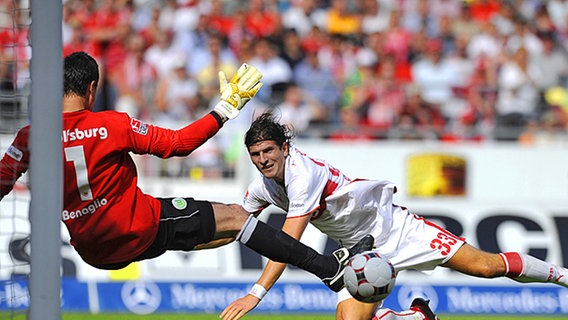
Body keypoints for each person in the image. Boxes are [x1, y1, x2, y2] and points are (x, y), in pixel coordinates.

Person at [0, 51, 371, 292]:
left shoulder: (30, 136)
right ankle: (329, 269)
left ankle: (328, 264)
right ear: (93, 88)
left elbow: (3, 181)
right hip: (138, 227)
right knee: (238, 217)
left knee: (230, 229)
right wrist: (225, 109)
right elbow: (178, 144)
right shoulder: (111, 124)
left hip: (93, 249)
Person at [220, 111, 568, 320]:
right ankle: (416, 316)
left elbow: (285, 242)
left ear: (284, 148)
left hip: (394, 228)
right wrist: (191, 231)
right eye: (255, 154)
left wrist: (256, 293)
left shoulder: (301, 175)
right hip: (358, 251)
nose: (263, 159)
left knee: (487, 267)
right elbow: (234, 221)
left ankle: (562, 276)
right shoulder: (264, 187)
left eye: (268, 151)